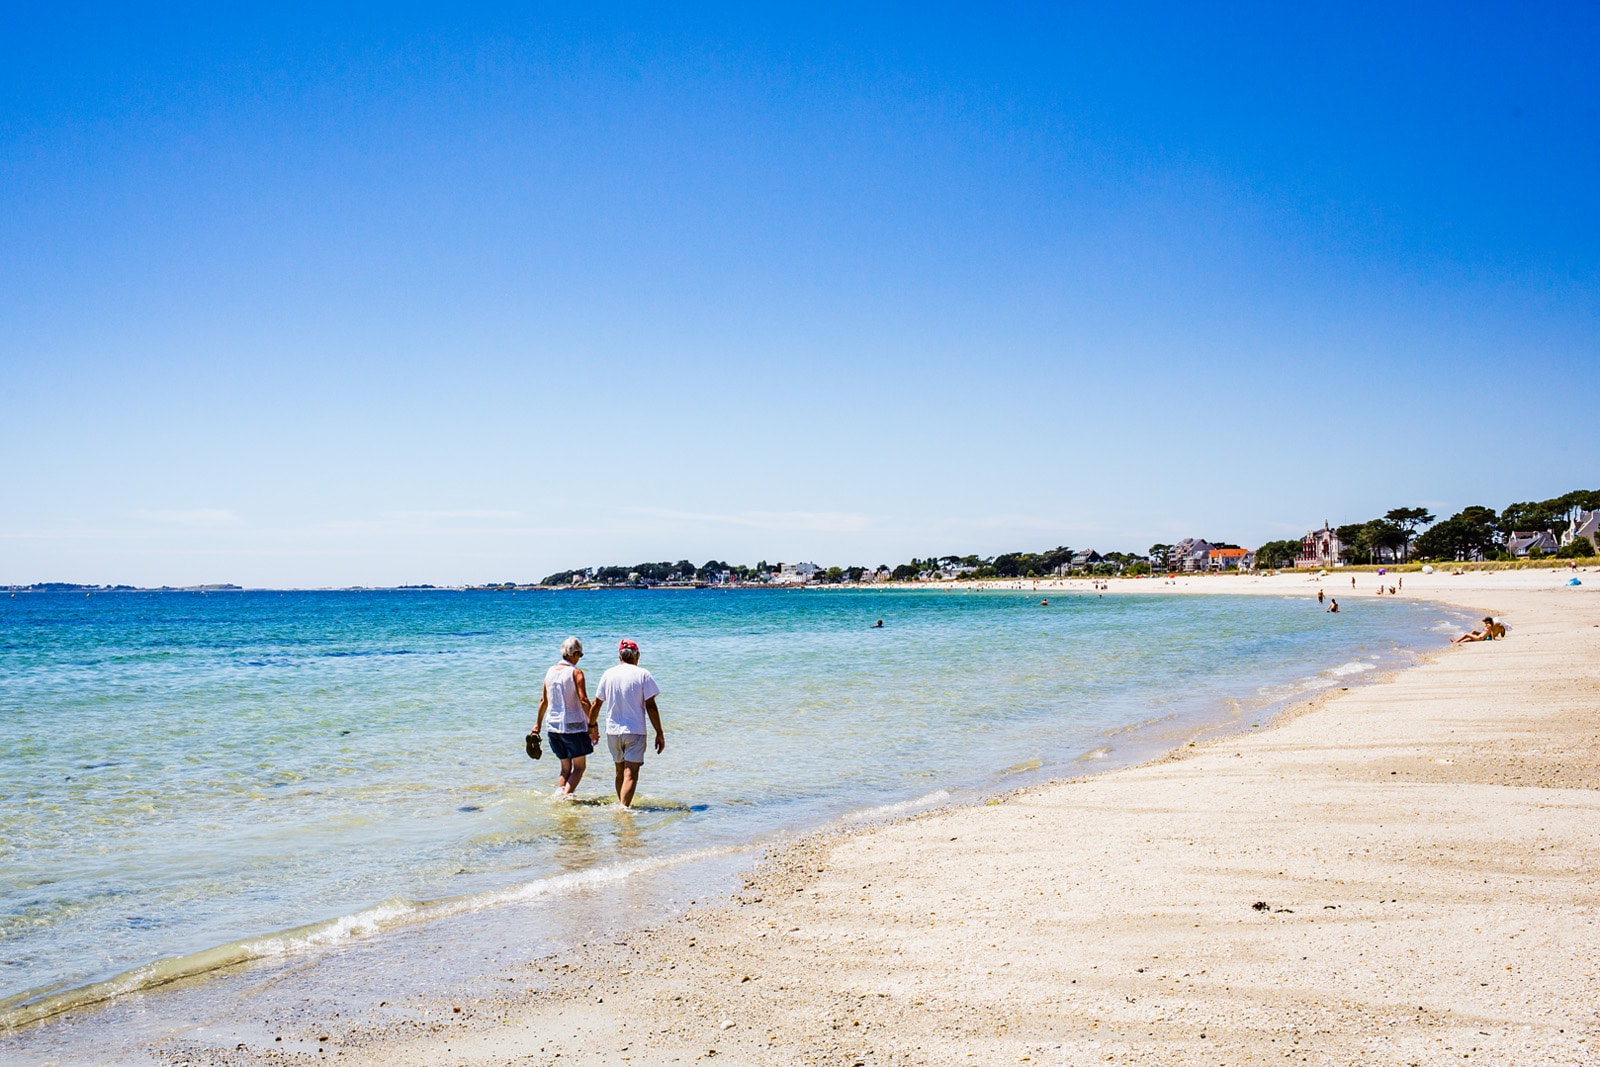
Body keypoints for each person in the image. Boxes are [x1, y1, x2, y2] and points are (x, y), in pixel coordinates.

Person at [591, 639, 666, 809]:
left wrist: (591, 726)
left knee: (619, 772)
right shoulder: (643, 675)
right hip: (635, 731)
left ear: (619, 656)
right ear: (637, 656)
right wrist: (659, 732)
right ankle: (623, 810)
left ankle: (623, 806)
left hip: (612, 731)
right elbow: (651, 706)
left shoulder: (608, 674)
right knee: (630, 774)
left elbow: (596, 703)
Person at [534, 637, 595, 798]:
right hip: (573, 727)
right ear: (574, 654)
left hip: (552, 727)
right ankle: (565, 797)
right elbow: (584, 700)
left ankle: (559, 794)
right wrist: (593, 724)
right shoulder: (576, 673)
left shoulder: (550, 671)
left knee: (565, 768)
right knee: (580, 768)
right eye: (579, 655)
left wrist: (537, 725)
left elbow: (544, 701)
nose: (579, 659)